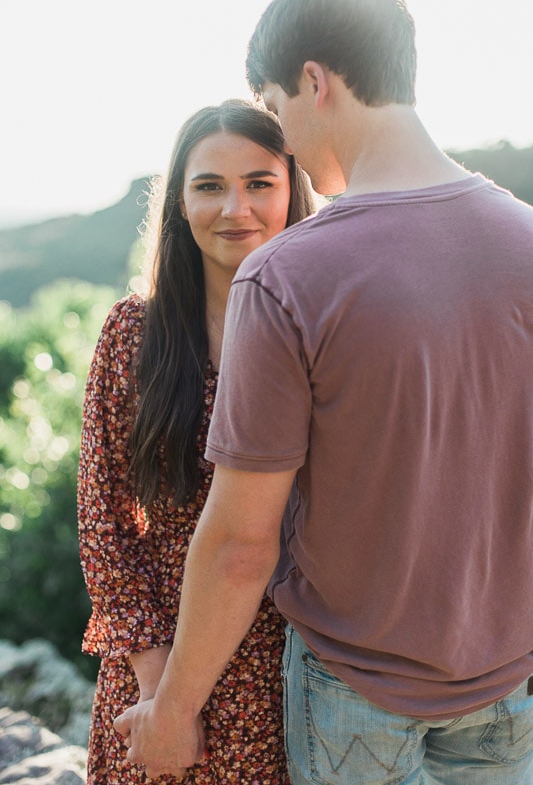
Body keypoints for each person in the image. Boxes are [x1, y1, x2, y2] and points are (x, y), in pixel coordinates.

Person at [114, 0, 533, 783]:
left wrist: (171, 710)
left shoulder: (285, 275)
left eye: (275, 106)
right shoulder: (527, 240)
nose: (290, 141)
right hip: (506, 687)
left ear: (314, 81)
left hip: (354, 691)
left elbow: (241, 542)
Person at [77, 97, 316, 785]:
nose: (234, 207)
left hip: (292, 672)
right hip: (154, 668)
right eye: (209, 185)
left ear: (291, 192)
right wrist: (160, 692)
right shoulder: (133, 334)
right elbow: (105, 523)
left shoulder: (324, 333)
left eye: (259, 183)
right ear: (179, 202)